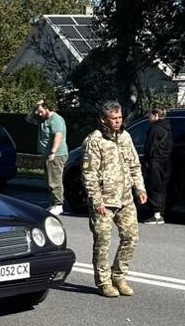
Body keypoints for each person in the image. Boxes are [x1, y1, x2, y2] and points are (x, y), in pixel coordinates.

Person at [80, 100, 147, 298]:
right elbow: (88, 174)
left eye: (120, 118)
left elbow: (135, 165)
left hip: (125, 199)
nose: (118, 121)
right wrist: (96, 201)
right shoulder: (94, 141)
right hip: (104, 203)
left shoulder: (125, 137)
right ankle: (103, 282)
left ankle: (119, 275)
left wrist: (140, 189)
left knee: (131, 238)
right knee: (102, 242)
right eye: (113, 118)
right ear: (103, 119)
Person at [34, 99, 68, 216]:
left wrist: (53, 152)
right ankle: (53, 203)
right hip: (48, 154)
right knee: (49, 180)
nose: (39, 113)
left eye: (41, 111)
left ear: (47, 109)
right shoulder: (43, 119)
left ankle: (58, 205)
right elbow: (28, 118)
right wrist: (37, 105)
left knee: (55, 180)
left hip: (56, 155)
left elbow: (58, 136)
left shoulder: (56, 119)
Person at [144, 107, 173, 225]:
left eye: (150, 115)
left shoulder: (155, 129)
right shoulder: (168, 127)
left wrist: (147, 158)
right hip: (167, 161)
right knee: (162, 187)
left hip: (156, 161)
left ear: (156, 115)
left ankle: (156, 214)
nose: (148, 117)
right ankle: (161, 212)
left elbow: (149, 146)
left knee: (154, 187)